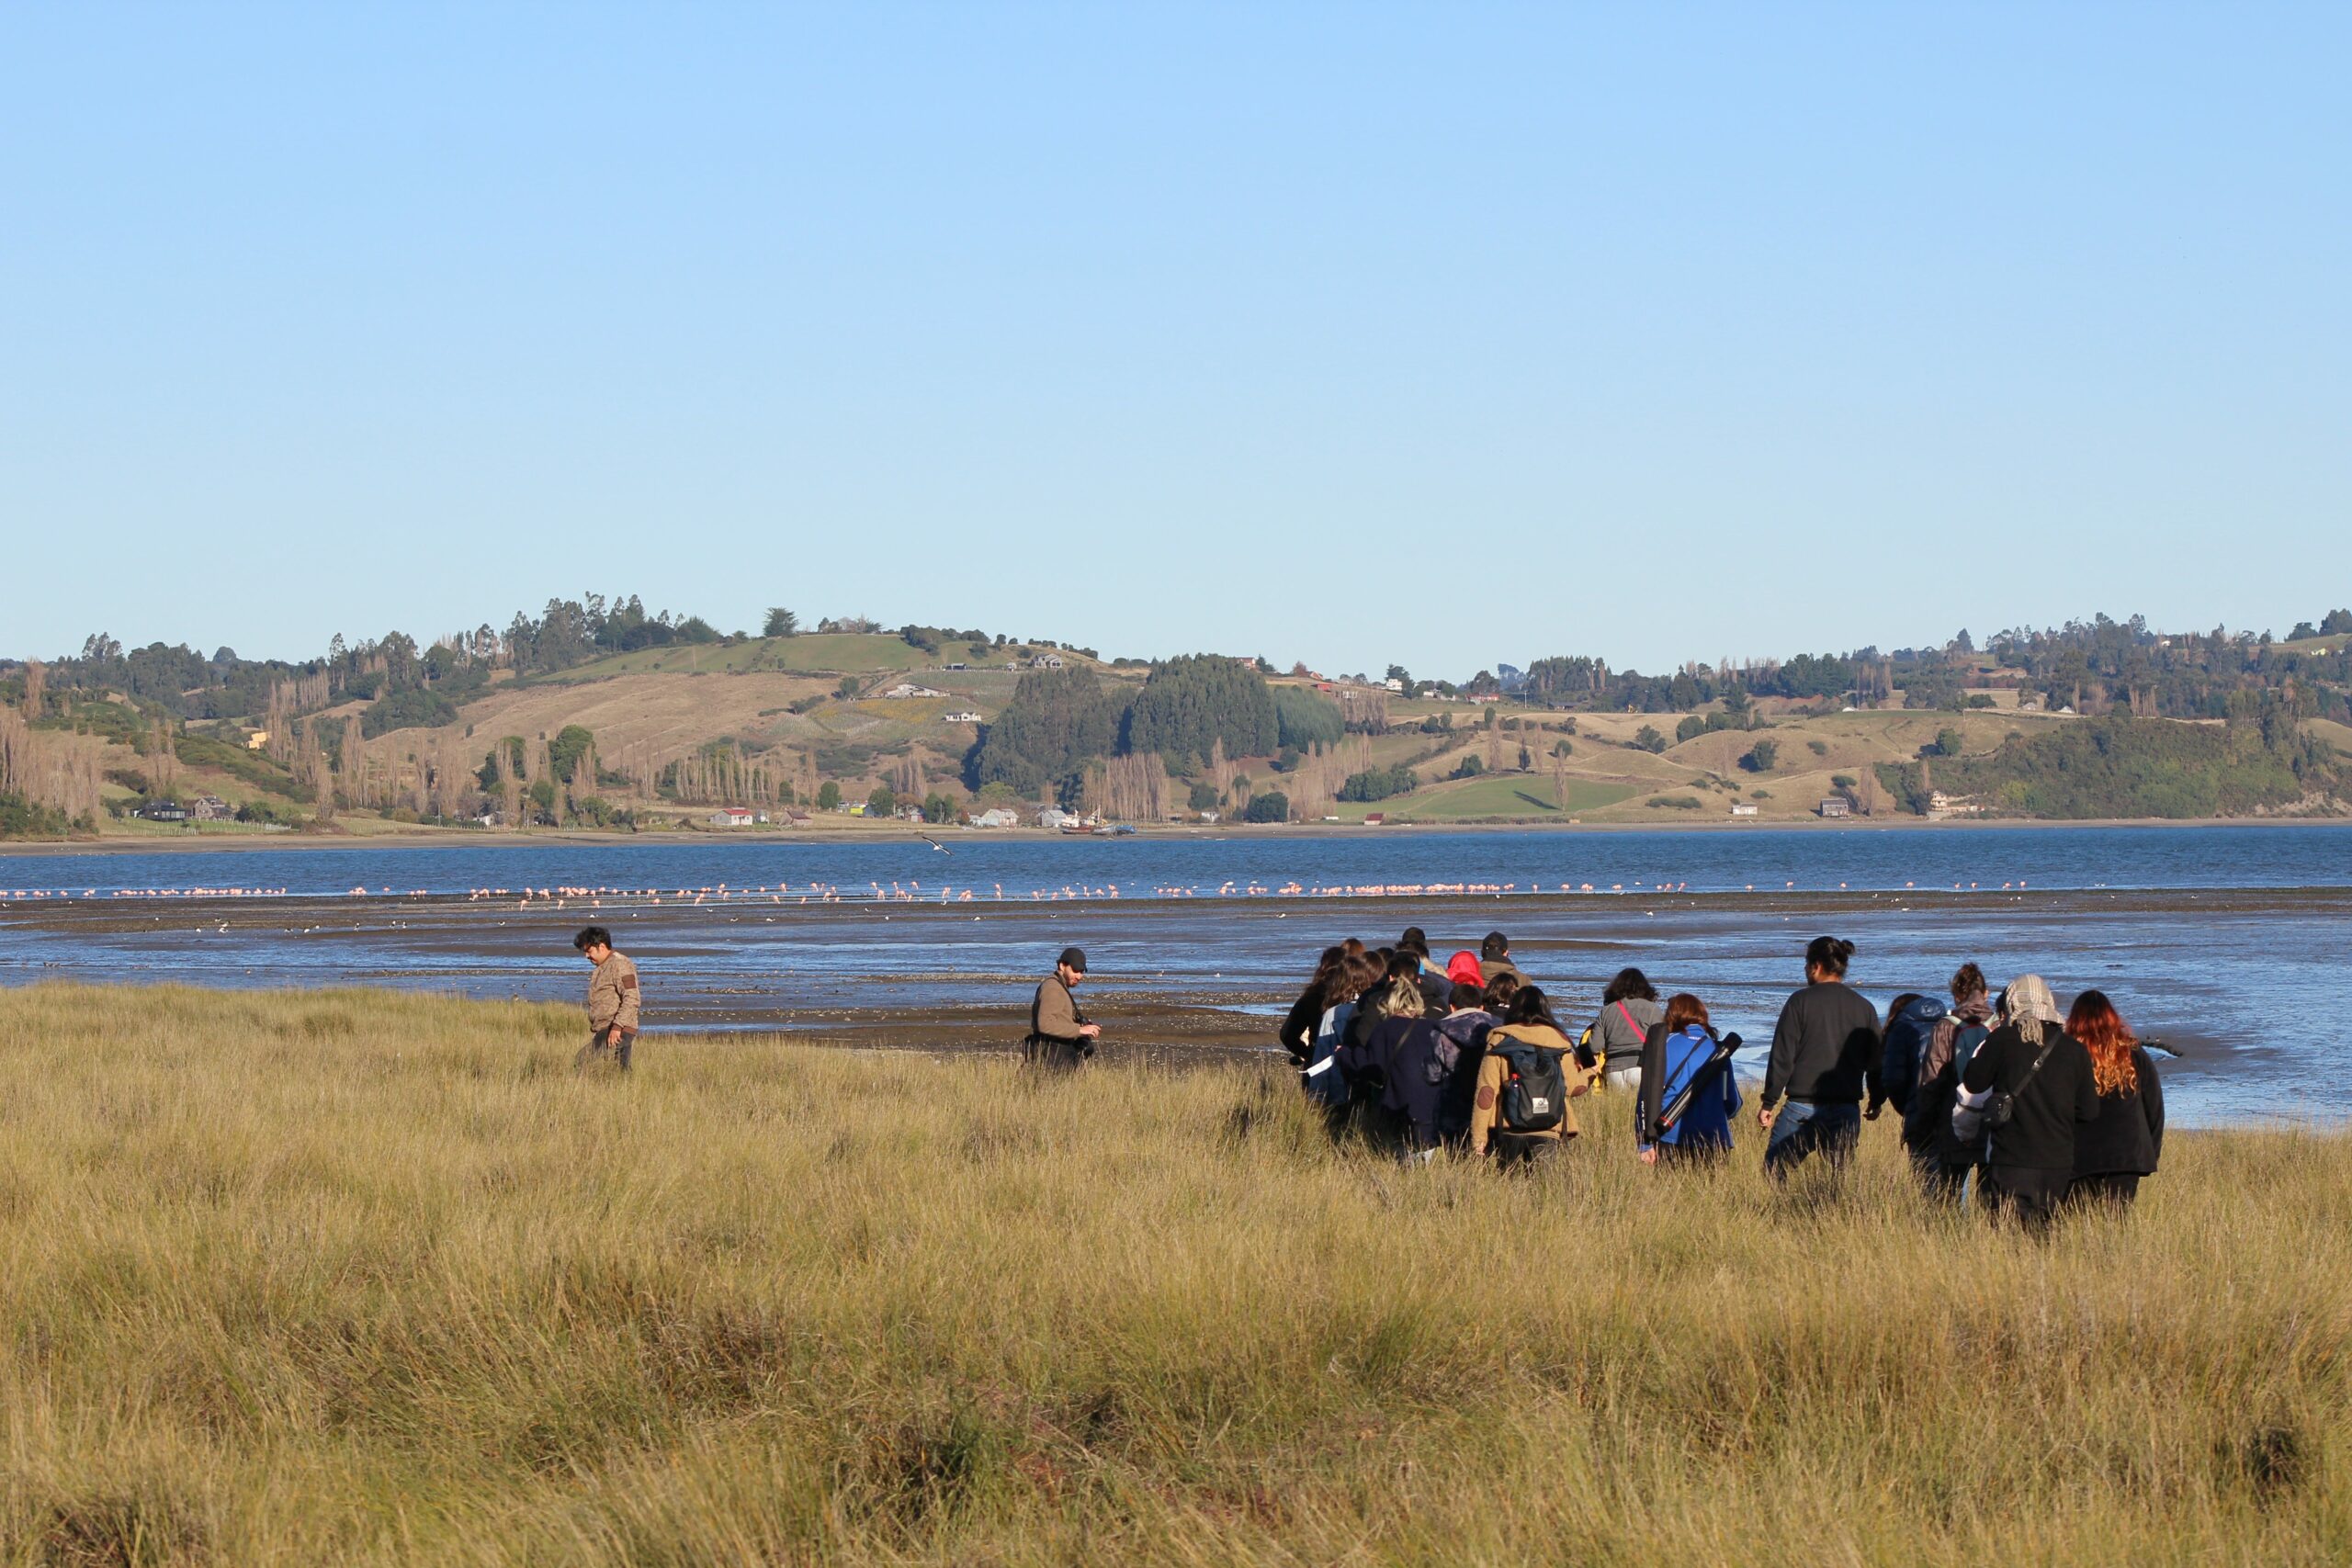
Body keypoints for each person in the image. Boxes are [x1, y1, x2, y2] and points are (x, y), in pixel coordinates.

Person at [1957, 974, 2098, 1229]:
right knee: (2044, 1232)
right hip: (2057, 1161)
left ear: (2013, 1003)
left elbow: (1973, 1082)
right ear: (2048, 1002)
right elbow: (2089, 1111)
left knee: (2008, 1233)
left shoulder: (2002, 1039)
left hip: (2011, 1156)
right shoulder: (2074, 1049)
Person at [1757, 937, 1882, 1177]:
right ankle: (1833, 1213)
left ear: (1816, 966)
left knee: (1774, 1171)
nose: (1805, 970)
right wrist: (1877, 1099)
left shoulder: (1799, 1001)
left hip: (1802, 1106)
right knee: (1839, 1179)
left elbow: (1783, 1055)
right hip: (1846, 1107)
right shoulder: (1864, 1007)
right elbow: (1876, 1061)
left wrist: (1769, 1102)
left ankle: (1776, 1214)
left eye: (1806, 964)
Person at [1470, 986, 1596, 1168]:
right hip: (1549, 1127)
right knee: (1544, 1189)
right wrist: (1590, 1072)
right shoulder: (1559, 1040)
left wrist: (1479, 1138)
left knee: (1508, 1188)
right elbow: (1573, 1087)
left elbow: (1486, 1092)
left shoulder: (1500, 1039)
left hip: (1508, 1127)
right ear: (1545, 1009)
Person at [1904, 964, 1996, 1201]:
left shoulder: (1946, 1026)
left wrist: (1923, 1123)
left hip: (1953, 1118)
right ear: (1986, 993)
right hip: (1991, 1119)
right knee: (1991, 1196)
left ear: (1956, 995)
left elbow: (1932, 1079)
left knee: (1951, 1194)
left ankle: (1954, 1234)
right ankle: (1989, 1236)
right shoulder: (1999, 1026)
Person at [2066, 989, 2165, 1208]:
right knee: (2116, 1224)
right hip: (2127, 1155)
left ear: (2074, 1020)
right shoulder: (2133, 1051)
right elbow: (2155, 1107)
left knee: (2078, 1225)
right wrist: (2151, 1151)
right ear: (2112, 1017)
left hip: (2079, 1157)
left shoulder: (2068, 1053)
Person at [1335, 973, 1450, 1157]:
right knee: (1426, 1158)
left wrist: (1343, 1054)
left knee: (1401, 1158)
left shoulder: (1385, 1029)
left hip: (1400, 1108)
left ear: (1390, 1001)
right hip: (1435, 1109)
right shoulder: (1434, 1028)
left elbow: (1370, 1067)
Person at [1634, 993, 1742, 1165]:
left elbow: (1647, 1095)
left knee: (1670, 1191)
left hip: (1671, 1135)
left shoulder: (1665, 1045)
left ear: (1672, 1016)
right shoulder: (1720, 1050)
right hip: (1714, 1137)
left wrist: (1644, 1144)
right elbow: (1733, 1104)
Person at [1433, 980, 1498, 1145]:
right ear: (1481, 1007)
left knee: (1456, 1155)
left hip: (1452, 1107)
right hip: (1491, 1105)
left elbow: (1432, 1074)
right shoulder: (1498, 1027)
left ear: (1452, 1007)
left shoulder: (1439, 1030)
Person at [573, 926, 640, 1071]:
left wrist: (617, 1027)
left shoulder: (620, 964)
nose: (586, 956)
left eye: (589, 951)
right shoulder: (604, 966)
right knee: (620, 1069)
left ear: (601, 946)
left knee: (582, 1061)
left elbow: (632, 997)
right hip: (608, 1028)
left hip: (617, 1028)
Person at [1023, 947, 1101, 1072]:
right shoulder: (1052, 988)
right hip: (1050, 1055)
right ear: (1062, 966)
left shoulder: (1059, 985)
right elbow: (1045, 1024)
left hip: (1057, 1054)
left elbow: (1057, 1018)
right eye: (1075, 970)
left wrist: (1078, 1024)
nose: (1079, 976)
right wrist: (1079, 1030)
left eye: (1082, 972)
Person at [1872, 990, 1943, 1122]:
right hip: (1949, 1111)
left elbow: (1893, 1080)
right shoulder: (1948, 1027)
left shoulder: (1899, 1033)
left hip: (1917, 1112)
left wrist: (1908, 1109)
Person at [1590, 968, 1663, 1094]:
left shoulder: (1606, 1011)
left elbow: (1594, 1046)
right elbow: (1661, 1042)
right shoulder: (1652, 1009)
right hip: (1641, 1067)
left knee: (1619, 1111)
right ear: (1644, 988)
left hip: (1613, 1071)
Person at [1280, 945, 1347, 1066]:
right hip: (1345, 1062)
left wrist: (1308, 1054)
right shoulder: (1352, 996)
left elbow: (1287, 1035)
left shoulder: (1311, 996)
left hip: (1317, 1061)